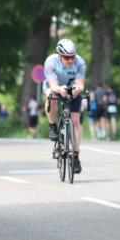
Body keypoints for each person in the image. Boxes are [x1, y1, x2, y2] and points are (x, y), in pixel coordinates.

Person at [44, 38, 87, 174]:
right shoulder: (50, 62)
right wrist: (59, 90)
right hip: (55, 86)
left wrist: (77, 89)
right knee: (52, 97)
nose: (70, 60)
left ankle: (75, 155)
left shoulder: (80, 63)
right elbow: (53, 85)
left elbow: (80, 84)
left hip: (71, 88)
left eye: (72, 57)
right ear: (59, 56)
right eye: (67, 58)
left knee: (75, 121)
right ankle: (52, 125)